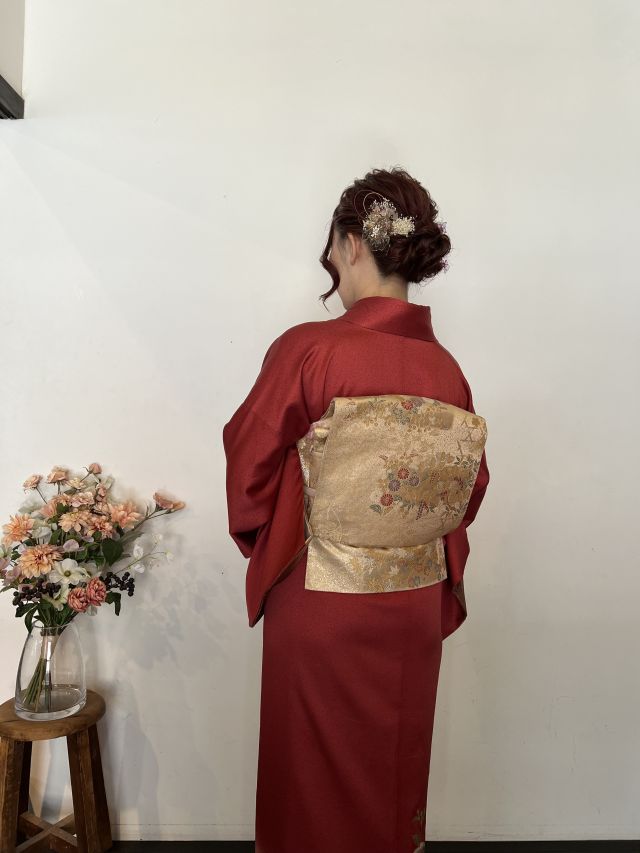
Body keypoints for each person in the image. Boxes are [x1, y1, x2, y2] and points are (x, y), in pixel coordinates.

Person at [222, 166, 490, 853]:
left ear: (350, 243)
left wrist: (275, 536)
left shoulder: (310, 350)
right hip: (414, 605)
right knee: (392, 765)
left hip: (321, 601)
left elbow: (249, 467)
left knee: (310, 783)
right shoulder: (448, 372)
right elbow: (468, 489)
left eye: (334, 256)